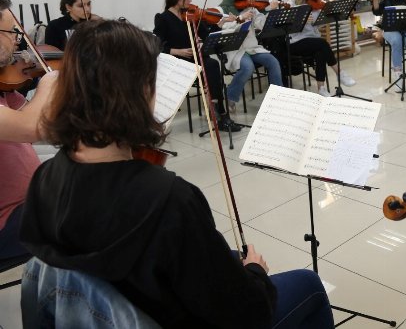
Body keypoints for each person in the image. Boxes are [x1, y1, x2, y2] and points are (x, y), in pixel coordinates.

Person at [20, 18, 334, 328]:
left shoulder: (44, 177)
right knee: (308, 284)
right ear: (138, 92)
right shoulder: (170, 200)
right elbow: (246, 315)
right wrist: (255, 273)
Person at [0, 0, 56, 260]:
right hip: (7, 222)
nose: (18, 41)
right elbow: (30, 127)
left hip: (25, 203)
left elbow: (45, 126)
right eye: (12, 32)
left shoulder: (3, 87)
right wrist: (48, 84)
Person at [153, 0, 241, 132]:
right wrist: (176, 51)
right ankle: (220, 113)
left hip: (195, 58)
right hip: (178, 61)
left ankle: (219, 111)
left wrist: (220, 24)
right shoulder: (163, 18)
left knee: (213, 65)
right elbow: (156, 44)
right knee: (211, 66)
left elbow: (207, 35)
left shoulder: (191, 15)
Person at [217, 0, 284, 113]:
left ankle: (278, 99)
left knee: (273, 61)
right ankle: (230, 96)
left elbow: (261, 25)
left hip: (252, 47)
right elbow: (225, 29)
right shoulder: (220, 10)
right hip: (234, 50)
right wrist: (241, 18)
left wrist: (270, 11)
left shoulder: (249, 6)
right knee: (248, 67)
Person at [287, 0, 355, 97]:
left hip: (313, 40)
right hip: (296, 41)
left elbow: (317, 24)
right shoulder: (291, 3)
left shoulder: (314, 2)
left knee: (320, 52)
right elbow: (288, 26)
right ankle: (340, 73)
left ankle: (321, 88)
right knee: (323, 43)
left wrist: (326, 17)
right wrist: (302, 20)